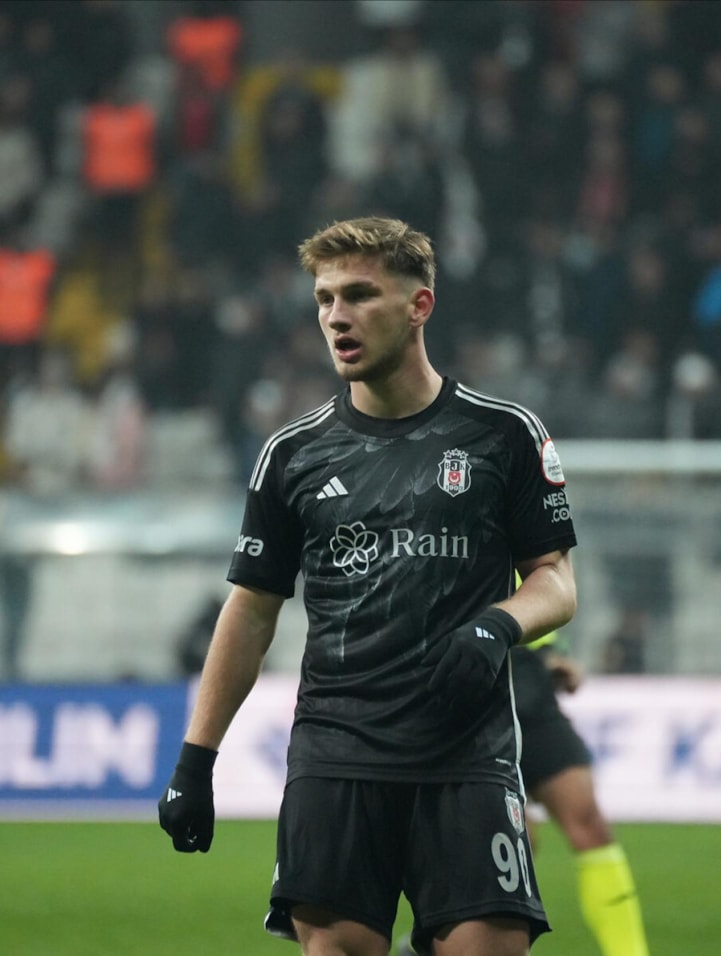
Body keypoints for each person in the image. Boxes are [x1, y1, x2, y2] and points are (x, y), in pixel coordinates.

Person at [158, 216, 578, 956]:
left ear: (419, 306)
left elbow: (556, 581)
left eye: (358, 294)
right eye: (324, 298)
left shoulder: (504, 434)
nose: (335, 316)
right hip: (337, 756)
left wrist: (496, 626)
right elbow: (250, 612)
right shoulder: (293, 454)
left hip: (467, 756)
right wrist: (196, 760)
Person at [397, 632, 650, 956]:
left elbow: (545, 606)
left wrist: (552, 653)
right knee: (512, 839)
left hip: (529, 678)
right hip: (474, 675)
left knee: (590, 825)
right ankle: (432, 942)